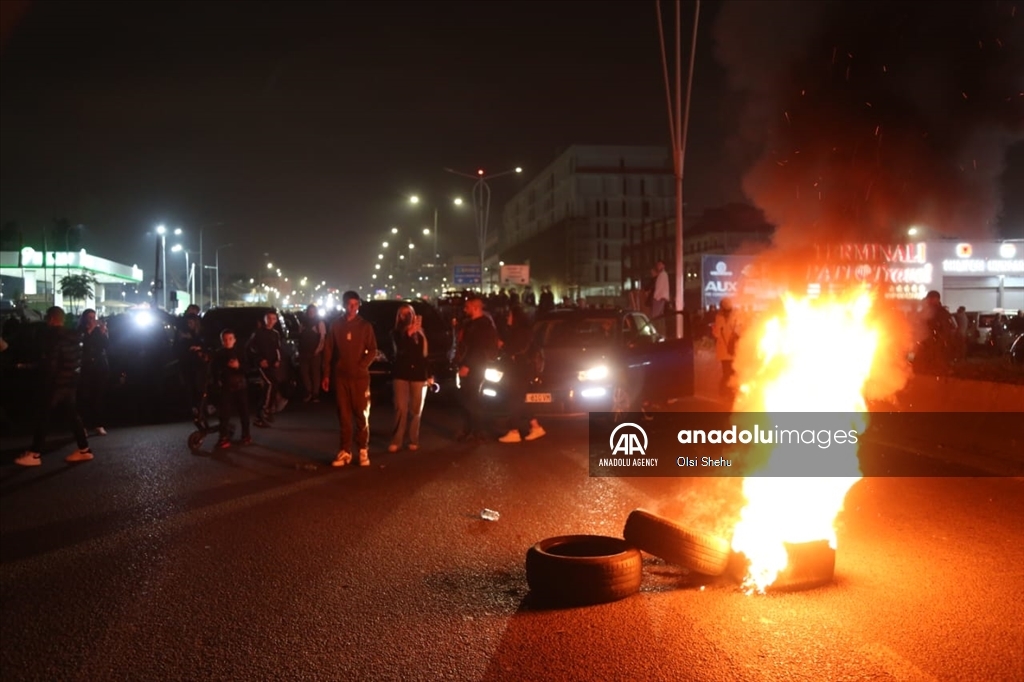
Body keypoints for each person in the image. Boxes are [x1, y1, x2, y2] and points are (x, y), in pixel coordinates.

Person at [16, 306, 94, 466]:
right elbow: (79, 360)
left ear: (50, 319)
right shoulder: (75, 337)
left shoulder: (53, 337)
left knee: (43, 415)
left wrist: (30, 369)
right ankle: (84, 449)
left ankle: (35, 454)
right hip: (70, 381)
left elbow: (50, 363)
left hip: (56, 383)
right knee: (73, 415)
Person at [322, 291, 377, 467]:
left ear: (359, 305)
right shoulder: (336, 325)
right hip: (341, 377)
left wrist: (362, 365)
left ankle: (363, 450)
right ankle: (345, 451)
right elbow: (328, 349)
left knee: (361, 414)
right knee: (344, 416)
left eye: (355, 304)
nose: (352, 308)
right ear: (344, 304)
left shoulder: (365, 326)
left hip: (360, 378)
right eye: (349, 304)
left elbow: (373, 349)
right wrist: (326, 374)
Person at [453, 295, 499, 442]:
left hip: (475, 367)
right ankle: (469, 428)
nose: (464, 310)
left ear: (475, 307)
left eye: (467, 307)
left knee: (472, 398)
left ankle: (476, 430)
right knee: (467, 398)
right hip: (469, 365)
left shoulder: (483, 326)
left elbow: (478, 349)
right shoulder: (470, 324)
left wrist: (468, 365)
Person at [497, 304, 546, 443]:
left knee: (514, 400)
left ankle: (514, 431)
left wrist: (503, 346)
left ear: (515, 317)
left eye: (510, 315)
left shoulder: (521, 332)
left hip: (519, 371)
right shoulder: (521, 331)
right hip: (520, 370)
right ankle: (535, 426)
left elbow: (515, 349)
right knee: (518, 400)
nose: (508, 317)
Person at [389, 304, 430, 452]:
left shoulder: (421, 333)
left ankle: (413, 439)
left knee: (416, 409)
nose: (406, 317)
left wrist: (429, 375)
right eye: (403, 314)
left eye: (409, 314)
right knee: (401, 407)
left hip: (418, 375)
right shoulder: (395, 334)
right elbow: (399, 351)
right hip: (401, 374)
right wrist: (408, 334)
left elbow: (425, 356)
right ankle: (397, 440)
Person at [211, 328, 251, 449]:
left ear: (234, 340)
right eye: (225, 339)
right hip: (226, 387)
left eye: (230, 339)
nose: (227, 341)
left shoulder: (240, 352)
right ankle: (224, 437)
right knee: (224, 413)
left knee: (243, 412)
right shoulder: (218, 354)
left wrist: (238, 366)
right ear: (222, 341)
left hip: (240, 386)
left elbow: (248, 368)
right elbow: (214, 370)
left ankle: (246, 435)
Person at [77, 308, 110, 436]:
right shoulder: (81, 331)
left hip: (99, 366)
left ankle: (98, 424)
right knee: (84, 396)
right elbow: (80, 344)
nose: (92, 320)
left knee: (98, 396)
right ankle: (83, 426)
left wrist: (103, 333)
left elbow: (106, 345)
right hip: (85, 367)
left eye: (93, 317)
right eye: (89, 317)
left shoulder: (99, 331)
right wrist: (89, 330)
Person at [247, 311, 283, 425]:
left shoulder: (275, 334)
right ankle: (266, 410)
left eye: (274, 318)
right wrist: (259, 360)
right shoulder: (258, 333)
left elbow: (278, 349)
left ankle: (259, 416)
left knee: (269, 387)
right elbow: (250, 348)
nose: (271, 321)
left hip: (272, 364)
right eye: (269, 318)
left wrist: (278, 360)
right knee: (271, 384)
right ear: (265, 319)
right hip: (262, 365)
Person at [298, 304, 326, 402]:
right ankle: (308, 391)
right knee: (304, 373)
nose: (311, 313)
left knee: (315, 374)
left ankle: (315, 393)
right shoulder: (303, 324)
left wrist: (318, 350)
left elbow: (322, 338)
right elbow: (300, 337)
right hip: (304, 353)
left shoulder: (319, 323)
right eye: (310, 311)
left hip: (315, 353)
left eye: (313, 311)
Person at [712, 298, 740, 397]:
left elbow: (739, 330)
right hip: (726, 350)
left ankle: (729, 391)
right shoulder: (720, 317)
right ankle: (725, 392)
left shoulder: (733, 317)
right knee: (728, 373)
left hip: (731, 350)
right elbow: (717, 334)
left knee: (731, 372)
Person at [651, 260, 670, 330]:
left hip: (659, 298)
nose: (658, 266)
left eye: (660, 264)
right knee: (659, 317)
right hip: (661, 298)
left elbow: (660, 288)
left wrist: (656, 297)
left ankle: (657, 331)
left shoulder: (662, 275)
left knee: (656, 317)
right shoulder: (662, 275)